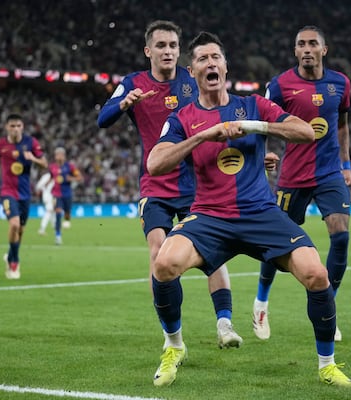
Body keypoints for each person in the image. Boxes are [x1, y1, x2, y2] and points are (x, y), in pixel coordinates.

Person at [146, 31, 351, 388]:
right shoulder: (183, 117)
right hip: (209, 217)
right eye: (202, 59)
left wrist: (253, 127)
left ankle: (327, 365)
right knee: (164, 263)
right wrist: (203, 136)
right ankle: (174, 346)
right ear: (192, 71)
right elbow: (155, 163)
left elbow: (305, 131)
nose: (210, 63)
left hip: (260, 213)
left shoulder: (254, 105)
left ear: (225, 67)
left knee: (316, 273)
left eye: (216, 57)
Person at [97, 21, 242, 349]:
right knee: (158, 251)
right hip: (156, 187)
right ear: (148, 51)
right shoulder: (133, 83)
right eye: (161, 46)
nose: (168, 52)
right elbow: (102, 119)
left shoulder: (192, 80)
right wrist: (124, 104)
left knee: (212, 256)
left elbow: (220, 114)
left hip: (196, 187)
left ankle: (225, 324)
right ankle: (171, 336)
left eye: (174, 46)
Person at [252, 25, 351, 342]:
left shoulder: (341, 83)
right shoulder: (280, 85)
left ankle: (328, 310)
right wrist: (264, 153)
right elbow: (263, 121)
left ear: (324, 49)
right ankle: (261, 302)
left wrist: (346, 165)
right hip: (293, 177)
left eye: (313, 44)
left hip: (329, 173)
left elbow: (342, 125)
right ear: (295, 51)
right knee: (276, 246)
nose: (307, 48)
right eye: (301, 44)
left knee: (341, 236)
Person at [0, 113, 48, 279]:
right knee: (14, 225)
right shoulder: (0, 144)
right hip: (7, 191)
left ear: (22, 127)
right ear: (7, 127)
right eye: (12, 126)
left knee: (21, 230)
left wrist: (33, 159)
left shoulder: (31, 143)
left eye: (18, 126)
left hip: (25, 193)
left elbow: (44, 164)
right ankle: (14, 262)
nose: (16, 129)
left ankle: (10, 254)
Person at [48, 147, 82, 245]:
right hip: (56, 194)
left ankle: (67, 219)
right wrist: (46, 185)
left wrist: (70, 178)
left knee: (67, 213)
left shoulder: (70, 167)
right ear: (55, 156)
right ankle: (58, 235)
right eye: (57, 154)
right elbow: (51, 177)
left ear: (64, 156)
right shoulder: (52, 167)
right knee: (58, 213)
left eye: (61, 154)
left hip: (67, 193)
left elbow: (79, 177)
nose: (59, 156)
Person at [35, 171, 55, 235]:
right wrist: (44, 187)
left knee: (52, 212)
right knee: (49, 211)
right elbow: (38, 186)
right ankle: (42, 229)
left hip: (52, 196)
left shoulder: (55, 176)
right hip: (48, 196)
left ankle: (55, 228)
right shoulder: (47, 176)